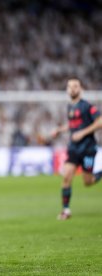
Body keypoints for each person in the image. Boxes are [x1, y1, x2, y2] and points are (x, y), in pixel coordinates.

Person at [51, 78, 102, 220]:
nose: (72, 88)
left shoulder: (87, 106)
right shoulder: (70, 107)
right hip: (74, 148)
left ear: (81, 89)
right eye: (70, 86)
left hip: (88, 148)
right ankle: (66, 211)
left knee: (88, 182)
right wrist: (60, 130)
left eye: (75, 86)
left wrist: (83, 133)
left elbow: (100, 121)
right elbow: (72, 125)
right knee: (67, 176)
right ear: (67, 89)